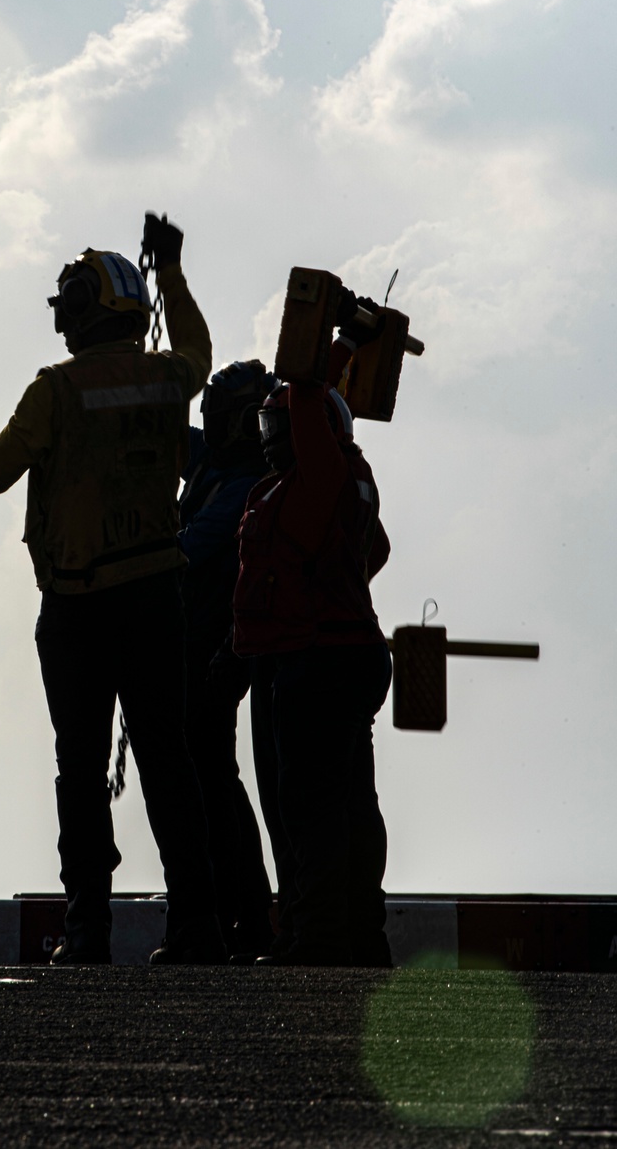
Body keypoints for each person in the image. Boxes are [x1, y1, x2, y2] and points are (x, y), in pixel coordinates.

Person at [0, 215, 226, 966]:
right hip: (158, 595)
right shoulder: (167, 377)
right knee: (170, 761)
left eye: (66, 304)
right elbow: (198, 350)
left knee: (80, 768)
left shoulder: (55, 390)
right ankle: (197, 926)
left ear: (84, 308)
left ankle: (89, 930)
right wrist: (172, 269)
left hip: (79, 608)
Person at [233, 306, 393, 966]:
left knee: (311, 808)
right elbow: (376, 551)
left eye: (283, 421)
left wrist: (344, 338)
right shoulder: (340, 483)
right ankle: (361, 937)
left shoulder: (323, 472)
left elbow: (305, 394)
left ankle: (321, 938)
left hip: (317, 659)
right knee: (353, 803)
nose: (274, 431)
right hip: (345, 653)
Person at [179, 361, 276, 962]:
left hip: (213, 652)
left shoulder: (245, 490)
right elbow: (167, 433)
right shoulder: (216, 466)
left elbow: (188, 547)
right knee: (210, 781)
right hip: (194, 648)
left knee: (213, 782)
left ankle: (245, 915)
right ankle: (237, 914)